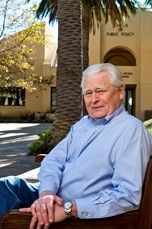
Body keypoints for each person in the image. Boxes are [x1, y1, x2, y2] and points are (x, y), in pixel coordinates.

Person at [0, 63, 152, 229]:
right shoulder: (83, 124)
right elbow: (53, 160)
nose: (94, 99)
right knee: (5, 186)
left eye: (101, 91)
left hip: (77, 214)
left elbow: (127, 196)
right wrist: (47, 194)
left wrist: (69, 209)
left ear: (120, 91)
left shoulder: (131, 131)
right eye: (88, 93)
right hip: (51, 197)